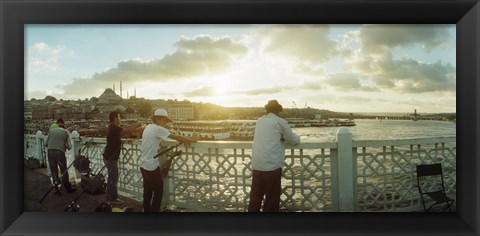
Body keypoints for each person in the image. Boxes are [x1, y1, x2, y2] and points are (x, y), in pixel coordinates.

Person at [138, 108, 198, 212]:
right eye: (164, 120)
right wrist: (191, 139)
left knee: (147, 191)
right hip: (151, 166)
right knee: (159, 191)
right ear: (157, 119)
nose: (165, 123)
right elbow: (176, 137)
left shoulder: (148, 127)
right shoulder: (157, 129)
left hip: (143, 164)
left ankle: (146, 210)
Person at [248, 100, 301, 212]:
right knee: (271, 199)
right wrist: (289, 137)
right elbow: (293, 140)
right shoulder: (279, 122)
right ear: (278, 111)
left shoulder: (260, 121)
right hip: (271, 165)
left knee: (255, 198)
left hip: (257, 164)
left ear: (267, 110)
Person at [102, 111, 142, 204]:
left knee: (112, 177)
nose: (120, 119)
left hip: (108, 156)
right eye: (119, 117)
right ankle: (112, 198)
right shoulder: (114, 127)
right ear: (115, 118)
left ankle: (112, 195)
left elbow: (124, 134)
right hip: (111, 157)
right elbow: (127, 131)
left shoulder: (112, 127)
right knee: (113, 178)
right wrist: (137, 124)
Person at [44, 118, 76, 194]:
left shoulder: (51, 131)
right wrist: (64, 146)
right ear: (63, 124)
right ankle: (68, 188)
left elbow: (45, 144)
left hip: (50, 152)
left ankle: (57, 188)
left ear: (58, 124)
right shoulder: (66, 132)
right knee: (63, 171)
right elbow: (70, 146)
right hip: (59, 152)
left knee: (54, 171)